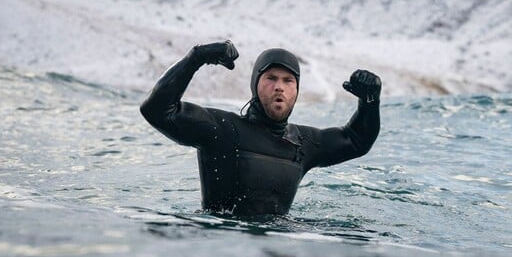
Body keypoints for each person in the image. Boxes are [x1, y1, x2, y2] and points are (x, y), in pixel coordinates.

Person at [140, 41, 381, 216]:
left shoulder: (305, 144)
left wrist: (370, 101)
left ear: (296, 91)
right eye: (271, 78)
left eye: (288, 81)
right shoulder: (221, 129)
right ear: (256, 84)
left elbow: (357, 140)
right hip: (220, 244)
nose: (279, 87)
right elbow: (157, 110)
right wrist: (195, 58)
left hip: (280, 246)